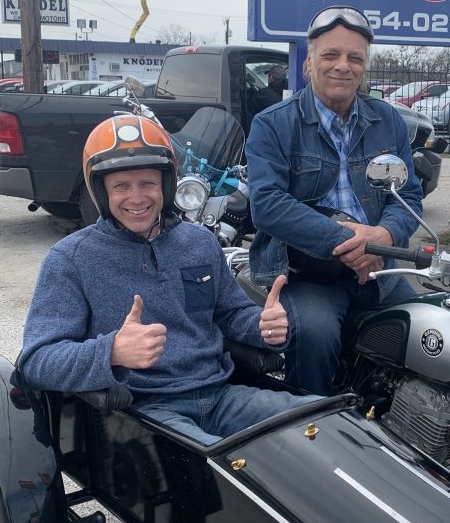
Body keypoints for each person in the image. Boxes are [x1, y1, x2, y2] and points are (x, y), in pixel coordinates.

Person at [18, 113, 315, 446]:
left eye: (147, 183)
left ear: (166, 185)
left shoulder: (200, 242)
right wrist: (111, 351)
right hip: (145, 410)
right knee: (233, 476)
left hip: (221, 397)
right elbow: (37, 361)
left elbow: (231, 314)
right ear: (101, 191)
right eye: (121, 186)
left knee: (322, 425)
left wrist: (262, 325)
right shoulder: (70, 259)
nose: (136, 198)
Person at [245, 5, 424, 395]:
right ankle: (309, 434)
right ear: (309, 63)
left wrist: (383, 236)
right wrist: (350, 243)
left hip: (378, 269)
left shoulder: (388, 120)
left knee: (431, 333)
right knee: (315, 337)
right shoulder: (272, 124)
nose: (342, 66)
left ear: (364, 67)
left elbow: (407, 195)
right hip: (307, 274)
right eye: (330, 55)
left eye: (354, 58)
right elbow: (267, 205)